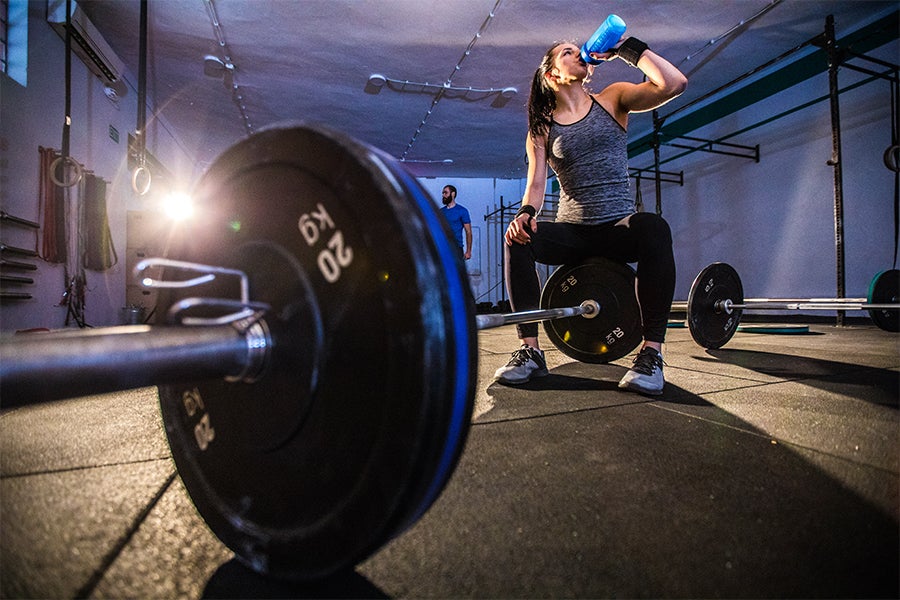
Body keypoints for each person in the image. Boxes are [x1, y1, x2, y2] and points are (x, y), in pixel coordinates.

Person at [493, 31, 687, 395]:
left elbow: (674, 83)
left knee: (654, 228)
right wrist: (525, 213)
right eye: (567, 52)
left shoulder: (613, 98)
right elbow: (536, 183)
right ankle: (530, 351)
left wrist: (626, 49)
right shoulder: (541, 127)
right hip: (574, 231)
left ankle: (651, 354)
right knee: (517, 237)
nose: (577, 53)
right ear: (551, 73)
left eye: (576, 49)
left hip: (617, 226)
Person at [440, 184, 473, 260]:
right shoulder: (441, 212)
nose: (443, 195)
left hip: (456, 247)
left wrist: (468, 251)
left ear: (453, 194)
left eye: (445, 193)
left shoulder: (462, 211)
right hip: (443, 247)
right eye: (443, 193)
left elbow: (468, 232)